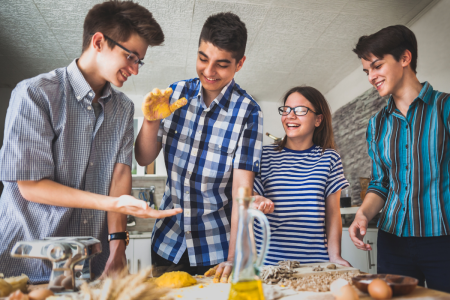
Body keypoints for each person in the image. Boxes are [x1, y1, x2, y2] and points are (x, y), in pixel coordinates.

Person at [0, 0, 181, 284]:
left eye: (139, 61)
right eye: (131, 56)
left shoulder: (122, 109)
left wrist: (118, 246)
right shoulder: (35, 94)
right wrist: (114, 202)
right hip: (27, 263)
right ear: (98, 41)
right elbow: (31, 186)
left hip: (90, 266)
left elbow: (120, 175)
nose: (135, 70)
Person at [135, 12, 263, 280]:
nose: (208, 71)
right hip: (166, 242)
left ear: (239, 64)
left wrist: (233, 256)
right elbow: (143, 157)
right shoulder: (176, 93)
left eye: (221, 64)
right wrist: (149, 122)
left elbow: (243, 190)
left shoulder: (249, 112)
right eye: (203, 58)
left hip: (215, 249)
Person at [349, 25, 450, 292]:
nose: (371, 76)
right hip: (392, 241)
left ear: (405, 59)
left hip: (442, 239)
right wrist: (363, 213)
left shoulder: (446, 109)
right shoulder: (376, 124)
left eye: (377, 66)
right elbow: (380, 183)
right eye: (367, 71)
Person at [252, 86, 351, 266]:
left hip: (315, 263)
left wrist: (335, 256)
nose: (290, 115)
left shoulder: (329, 157)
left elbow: (333, 214)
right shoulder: (263, 155)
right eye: (287, 109)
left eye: (300, 110)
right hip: (269, 263)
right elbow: (250, 197)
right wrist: (256, 200)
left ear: (318, 119)